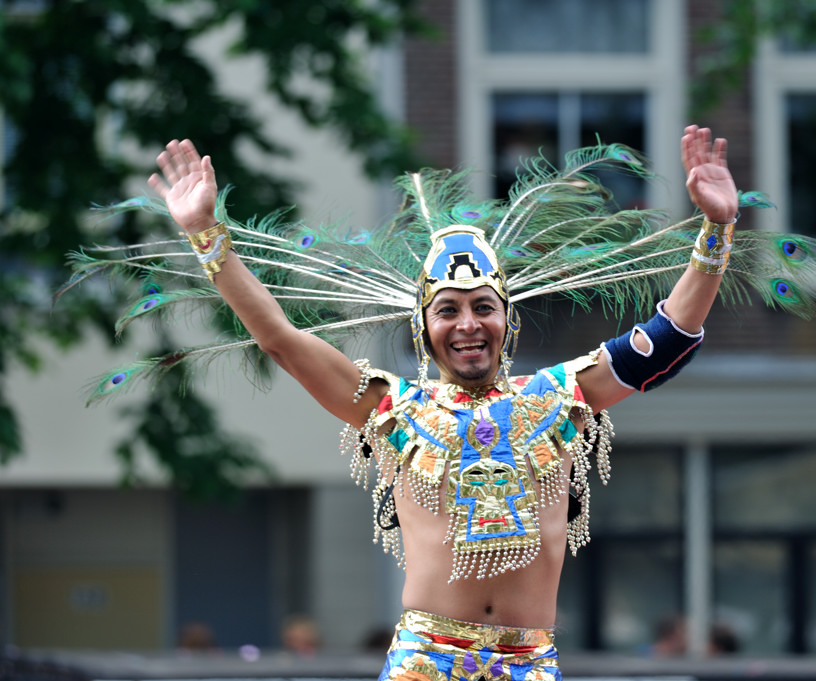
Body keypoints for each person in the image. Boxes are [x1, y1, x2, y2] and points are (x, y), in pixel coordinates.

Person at [144, 125, 742, 680]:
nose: (468, 325)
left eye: (483, 306)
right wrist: (205, 235)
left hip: (529, 662)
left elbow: (667, 340)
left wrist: (716, 231)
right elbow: (279, 337)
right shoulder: (390, 406)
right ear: (422, 326)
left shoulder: (563, 395)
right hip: (424, 662)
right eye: (448, 310)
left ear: (508, 318)